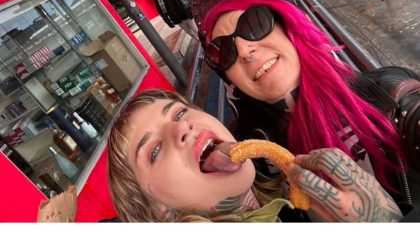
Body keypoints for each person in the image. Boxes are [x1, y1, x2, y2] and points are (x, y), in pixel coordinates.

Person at [191, 0, 420, 209]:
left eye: (253, 24)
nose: (244, 51)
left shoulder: (391, 97)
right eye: (223, 51)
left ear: (288, 26)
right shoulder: (251, 157)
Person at [107, 89, 413, 222]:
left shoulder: (287, 203)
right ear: (158, 211)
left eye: (180, 112)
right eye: (154, 151)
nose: (181, 128)